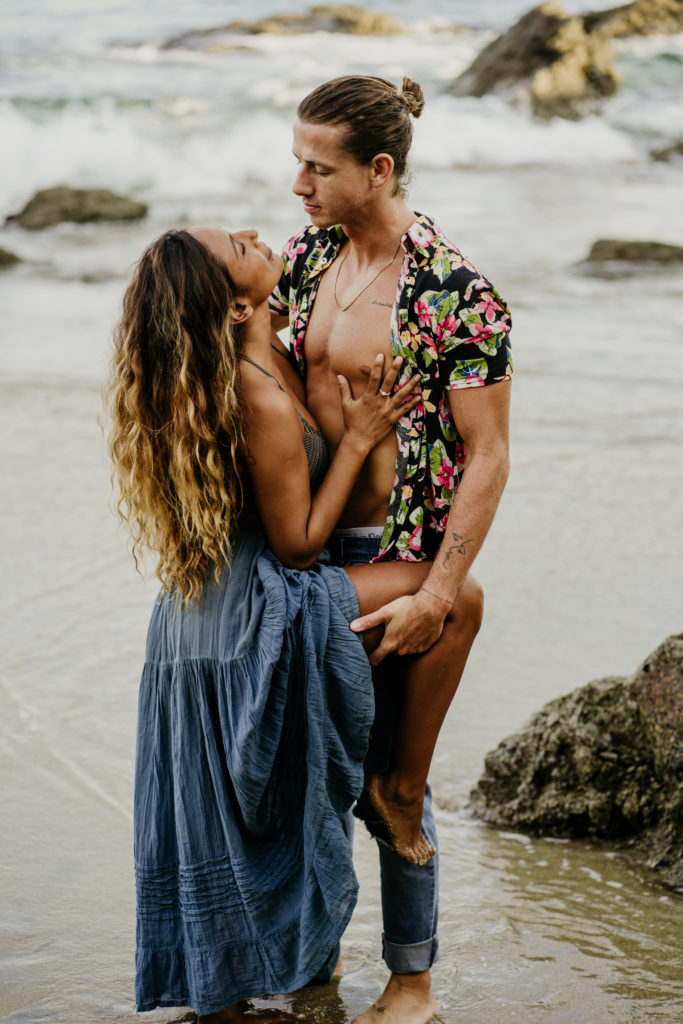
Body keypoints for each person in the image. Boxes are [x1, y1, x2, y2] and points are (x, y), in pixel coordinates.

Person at [105, 224, 487, 1023]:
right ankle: (397, 787)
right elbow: (298, 543)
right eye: (237, 246)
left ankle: (268, 970)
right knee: (456, 596)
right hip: (248, 606)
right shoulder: (258, 392)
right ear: (239, 302)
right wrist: (358, 439)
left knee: (252, 821)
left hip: (196, 615)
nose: (254, 232)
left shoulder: (267, 345)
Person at [269, 75, 513, 1024]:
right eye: (296, 162)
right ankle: (310, 972)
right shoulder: (307, 257)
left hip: (397, 550)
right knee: (312, 782)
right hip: (308, 548)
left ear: (378, 169)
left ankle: (411, 984)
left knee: (394, 784)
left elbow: (489, 456)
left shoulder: (458, 292)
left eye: (316, 168)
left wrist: (438, 593)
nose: (298, 184)